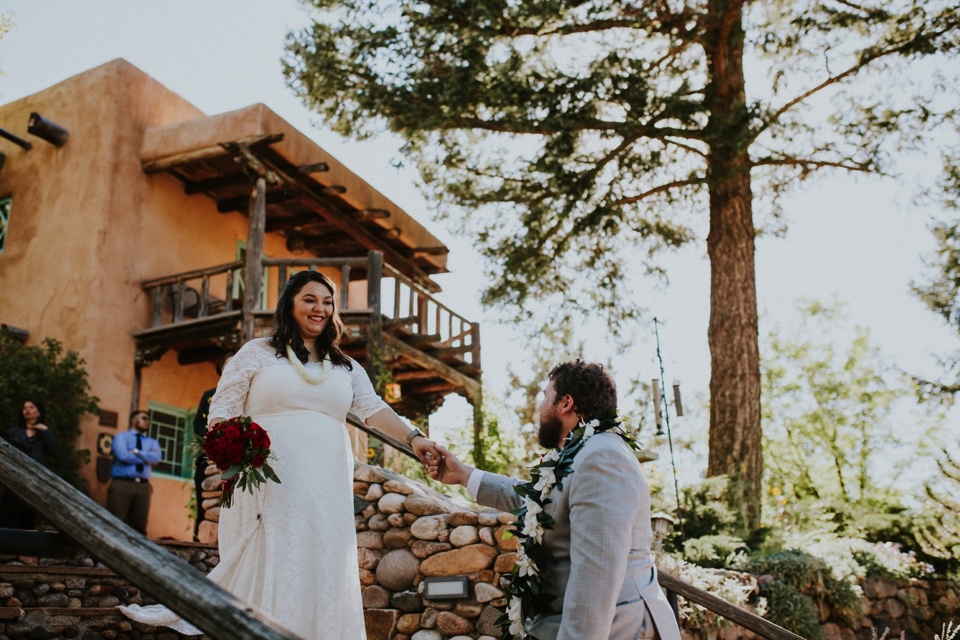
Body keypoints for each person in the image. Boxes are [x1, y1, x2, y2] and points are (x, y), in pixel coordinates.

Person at [121, 270, 444, 639]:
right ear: (290, 304)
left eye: (327, 302)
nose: (319, 309)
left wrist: (415, 438)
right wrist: (236, 455)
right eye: (309, 299)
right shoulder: (257, 353)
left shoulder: (345, 366)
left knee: (321, 558)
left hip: (327, 481)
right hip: (268, 477)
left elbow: (373, 408)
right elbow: (222, 412)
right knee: (277, 555)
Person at [427, 360, 682, 640]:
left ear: (566, 403)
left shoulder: (603, 458)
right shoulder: (584, 454)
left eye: (546, 396)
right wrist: (463, 475)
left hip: (619, 628)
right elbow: (542, 502)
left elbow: (594, 585)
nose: (540, 407)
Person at [192, 352, 234, 541]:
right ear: (221, 369)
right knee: (204, 504)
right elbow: (198, 424)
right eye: (227, 365)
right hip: (208, 457)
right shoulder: (209, 396)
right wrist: (212, 440)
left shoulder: (246, 394)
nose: (230, 368)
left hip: (235, 457)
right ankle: (200, 542)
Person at [0, 400, 58, 529]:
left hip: (34, 479)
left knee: (28, 516)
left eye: (31, 407)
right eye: (25, 408)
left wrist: (46, 430)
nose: (27, 410)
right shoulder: (15, 431)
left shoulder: (44, 434)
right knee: (9, 512)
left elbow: (54, 449)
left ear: (38, 412)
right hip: (14, 476)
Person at [107, 410, 162, 535]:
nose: (147, 421)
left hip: (143, 487)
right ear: (134, 420)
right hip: (122, 484)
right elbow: (122, 455)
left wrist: (136, 452)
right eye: (144, 418)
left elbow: (156, 458)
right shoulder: (121, 437)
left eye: (148, 419)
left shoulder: (152, 442)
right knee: (115, 522)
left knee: (139, 525)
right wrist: (146, 457)